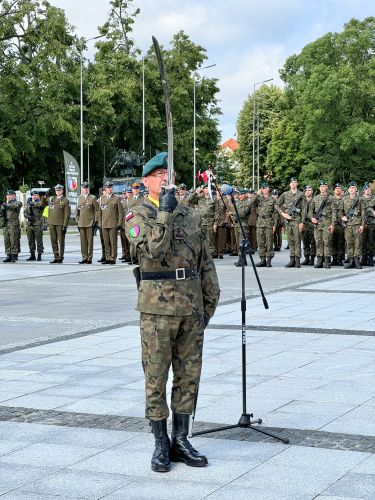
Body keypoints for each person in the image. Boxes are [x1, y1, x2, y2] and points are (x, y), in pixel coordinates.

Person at [125, 152, 220, 473]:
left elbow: (205, 264)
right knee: (156, 378)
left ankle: (181, 438)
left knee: (189, 376)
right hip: (156, 311)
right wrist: (164, 213)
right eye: (160, 174)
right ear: (147, 180)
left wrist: (208, 305)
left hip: (191, 309)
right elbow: (152, 250)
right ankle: (161, 443)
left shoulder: (190, 216)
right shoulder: (136, 215)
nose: (166, 179)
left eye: (170, 173)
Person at [276, 177, 304, 267]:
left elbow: (304, 210)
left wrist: (302, 222)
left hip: (297, 220)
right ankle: (292, 259)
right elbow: (276, 204)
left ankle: (297, 260)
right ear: (289, 184)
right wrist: (283, 214)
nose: (293, 184)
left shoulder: (301, 194)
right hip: (288, 221)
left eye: (295, 182)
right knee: (290, 241)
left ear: (297, 184)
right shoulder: (285, 194)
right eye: (291, 182)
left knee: (297, 241)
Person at [308, 180, 336, 268]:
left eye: (324, 186)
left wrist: (332, 224)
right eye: (321, 186)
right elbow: (310, 211)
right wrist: (312, 218)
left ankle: (327, 260)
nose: (323, 188)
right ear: (319, 188)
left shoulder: (330, 198)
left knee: (327, 242)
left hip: (327, 224)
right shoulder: (315, 198)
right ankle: (319, 260)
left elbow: (334, 212)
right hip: (317, 225)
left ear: (326, 187)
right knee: (318, 242)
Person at [339, 181, 365, 269]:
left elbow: (363, 213)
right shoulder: (344, 199)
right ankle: (351, 261)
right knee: (349, 243)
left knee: (357, 243)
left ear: (356, 189)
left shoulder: (360, 199)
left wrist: (362, 225)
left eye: (353, 188)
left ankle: (357, 261)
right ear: (348, 189)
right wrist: (342, 217)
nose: (352, 189)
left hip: (357, 224)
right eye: (350, 188)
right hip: (348, 225)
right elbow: (340, 211)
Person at [97, 181, 122, 265]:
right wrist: (99, 224)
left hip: (113, 224)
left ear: (112, 188)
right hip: (104, 224)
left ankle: (113, 258)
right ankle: (107, 257)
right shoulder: (102, 199)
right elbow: (99, 213)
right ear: (105, 189)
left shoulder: (116, 198)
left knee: (113, 242)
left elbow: (120, 213)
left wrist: (119, 224)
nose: (109, 189)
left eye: (110, 187)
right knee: (106, 242)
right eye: (107, 187)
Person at [76, 182, 98, 264]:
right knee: (83, 242)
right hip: (81, 223)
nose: (85, 189)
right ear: (82, 189)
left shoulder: (93, 198)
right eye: (84, 188)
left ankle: (89, 258)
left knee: (90, 242)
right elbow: (77, 211)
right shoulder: (79, 198)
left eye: (87, 188)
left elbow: (97, 210)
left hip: (90, 223)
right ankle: (84, 257)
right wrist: (77, 221)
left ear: (89, 189)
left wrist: (95, 221)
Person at [47, 184, 70, 263]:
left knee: (61, 241)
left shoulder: (65, 200)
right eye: (56, 190)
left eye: (59, 190)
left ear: (62, 191)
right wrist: (45, 197)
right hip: (51, 222)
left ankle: (61, 257)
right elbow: (44, 205)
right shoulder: (52, 199)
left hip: (60, 223)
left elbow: (67, 214)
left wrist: (65, 225)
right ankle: (56, 256)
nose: (58, 192)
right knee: (53, 240)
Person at [1, 190, 22, 263]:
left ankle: (14, 255)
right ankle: (8, 255)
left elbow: (15, 206)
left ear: (14, 196)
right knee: (6, 240)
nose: (8, 197)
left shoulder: (17, 203)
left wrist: (5, 205)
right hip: (6, 223)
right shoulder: (5, 204)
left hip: (13, 223)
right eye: (7, 195)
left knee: (13, 240)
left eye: (10, 195)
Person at [24, 191, 46, 261]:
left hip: (38, 224)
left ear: (39, 196)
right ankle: (32, 255)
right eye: (33, 195)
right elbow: (25, 212)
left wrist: (32, 203)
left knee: (39, 240)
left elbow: (41, 205)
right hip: (30, 224)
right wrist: (27, 216)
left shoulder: (40, 202)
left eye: (36, 195)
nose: (34, 197)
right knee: (31, 240)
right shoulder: (29, 203)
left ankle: (39, 255)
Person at [301, 185, 316, 265]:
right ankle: (306, 258)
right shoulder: (302, 201)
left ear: (312, 191)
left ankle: (312, 259)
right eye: (306, 190)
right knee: (305, 242)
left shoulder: (315, 200)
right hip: (304, 223)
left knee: (313, 242)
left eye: (309, 190)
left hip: (312, 223)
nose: (307, 191)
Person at [331, 182, 345, 266]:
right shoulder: (330, 199)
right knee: (332, 242)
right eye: (336, 188)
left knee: (341, 242)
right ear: (334, 190)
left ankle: (340, 259)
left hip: (342, 224)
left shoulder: (345, 199)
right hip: (333, 224)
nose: (338, 190)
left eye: (339, 188)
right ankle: (334, 258)